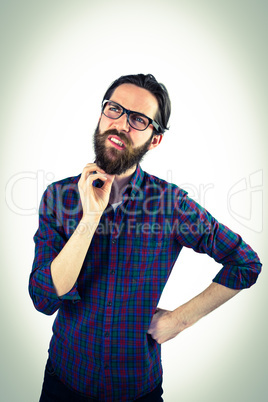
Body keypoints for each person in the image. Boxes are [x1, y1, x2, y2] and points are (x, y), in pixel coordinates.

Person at [29, 73, 262, 402]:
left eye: (138, 119)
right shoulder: (58, 197)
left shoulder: (172, 205)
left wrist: (180, 320)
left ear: (155, 139)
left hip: (138, 389)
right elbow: (44, 299)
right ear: (101, 115)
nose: (122, 124)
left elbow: (246, 263)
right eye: (115, 109)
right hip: (63, 382)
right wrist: (91, 216)